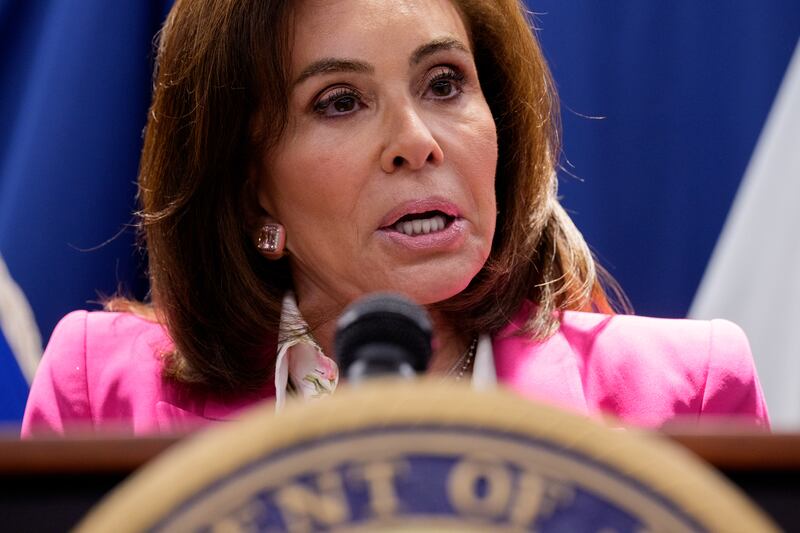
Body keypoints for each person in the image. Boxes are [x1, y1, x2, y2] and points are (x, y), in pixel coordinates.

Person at [22, 0, 768, 436]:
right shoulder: (100, 393)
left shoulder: (686, 394)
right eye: (339, 101)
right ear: (253, 190)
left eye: (445, 83)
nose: (416, 141)